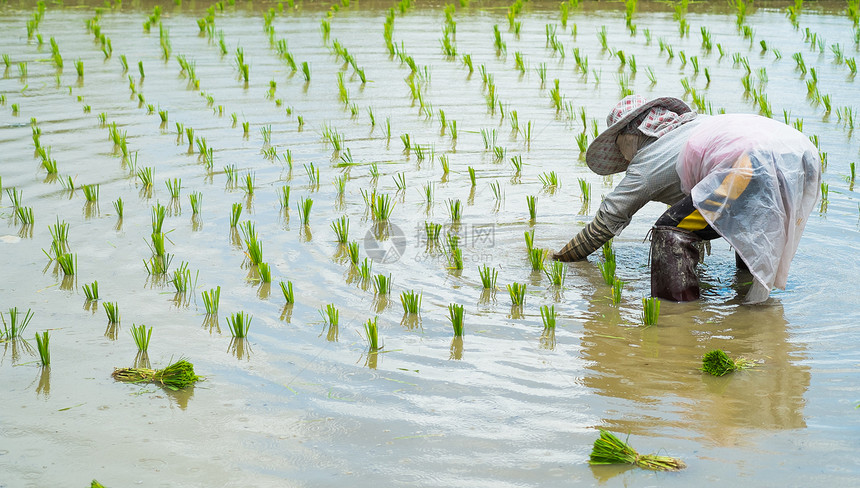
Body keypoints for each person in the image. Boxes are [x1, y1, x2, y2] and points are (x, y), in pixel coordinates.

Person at [553, 95, 820, 303]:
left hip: (748, 164)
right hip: (798, 155)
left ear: (632, 134)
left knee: (671, 231)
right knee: (745, 227)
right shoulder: (694, 126)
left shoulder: (649, 161)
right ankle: (747, 307)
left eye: (617, 143)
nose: (620, 155)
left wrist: (560, 257)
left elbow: (605, 223)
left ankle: (679, 314)